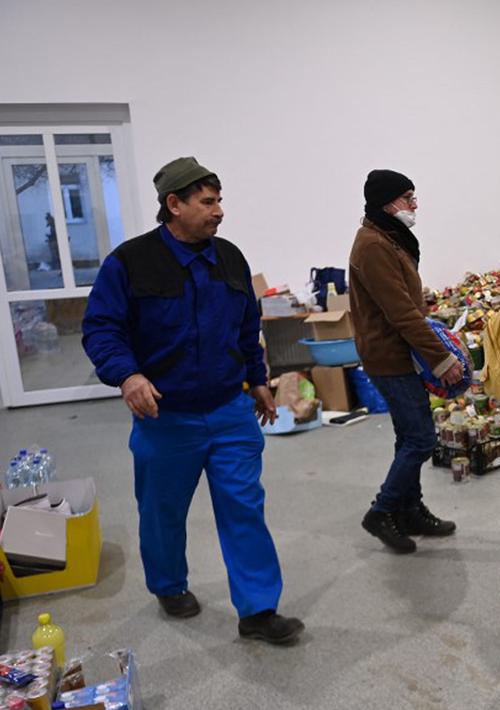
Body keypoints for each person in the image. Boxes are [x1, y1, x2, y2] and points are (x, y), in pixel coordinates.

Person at [82, 157, 303, 645]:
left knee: (244, 507)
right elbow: (101, 328)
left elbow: (247, 327)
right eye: (208, 202)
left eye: (219, 200)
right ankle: (167, 584)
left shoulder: (230, 258)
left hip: (229, 411)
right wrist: (128, 375)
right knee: (162, 511)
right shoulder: (130, 262)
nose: (219, 211)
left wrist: (258, 378)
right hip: (165, 417)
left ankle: (259, 610)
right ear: (174, 205)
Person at [350, 170, 464, 553]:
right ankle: (382, 511)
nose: (415, 205)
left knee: (407, 435)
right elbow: (400, 314)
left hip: (400, 353)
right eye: (407, 198)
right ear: (386, 203)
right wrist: (441, 358)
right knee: (420, 438)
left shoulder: (388, 238)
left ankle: (410, 510)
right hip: (390, 356)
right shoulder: (373, 246)